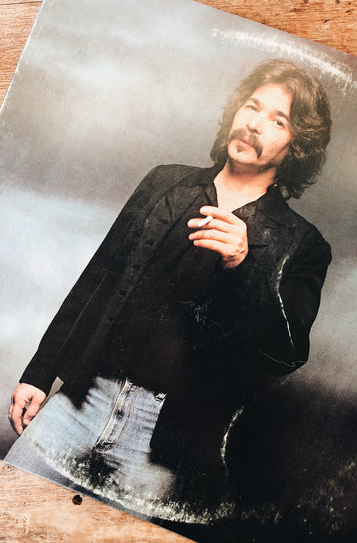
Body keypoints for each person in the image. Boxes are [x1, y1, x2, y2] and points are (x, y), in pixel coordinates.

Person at [5, 59, 332, 528]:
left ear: (297, 146)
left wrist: (244, 265)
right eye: (251, 106)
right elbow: (97, 279)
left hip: (162, 446)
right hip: (80, 401)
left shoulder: (303, 244)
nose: (255, 124)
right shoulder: (165, 182)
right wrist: (40, 374)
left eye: (278, 121)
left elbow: (285, 353)